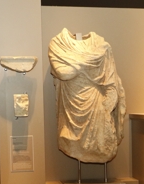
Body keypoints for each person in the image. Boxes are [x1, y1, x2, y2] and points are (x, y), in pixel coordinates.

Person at [48, 28, 126, 163]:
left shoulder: (100, 45)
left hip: (96, 105)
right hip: (70, 108)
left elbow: (111, 82)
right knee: (70, 140)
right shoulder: (59, 43)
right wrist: (87, 62)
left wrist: (106, 108)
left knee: (101, 144)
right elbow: (63, 73)